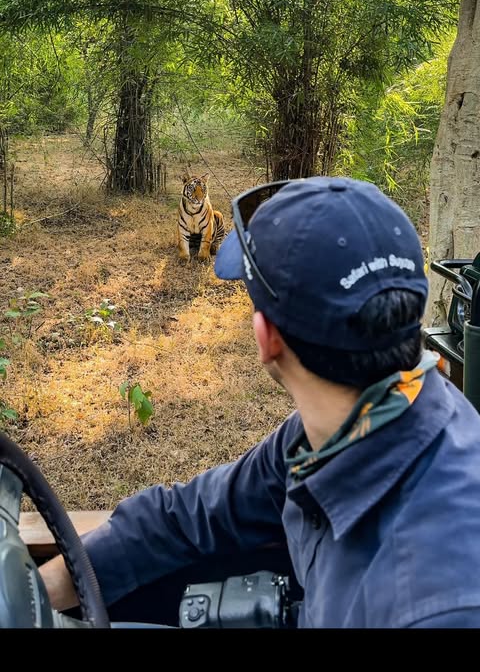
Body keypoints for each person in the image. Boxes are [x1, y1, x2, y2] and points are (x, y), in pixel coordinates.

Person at [39, 176, 480, 628]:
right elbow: (188, 516)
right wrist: (31, 590)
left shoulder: (438, 606)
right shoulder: (343, 425)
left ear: (266, 338)